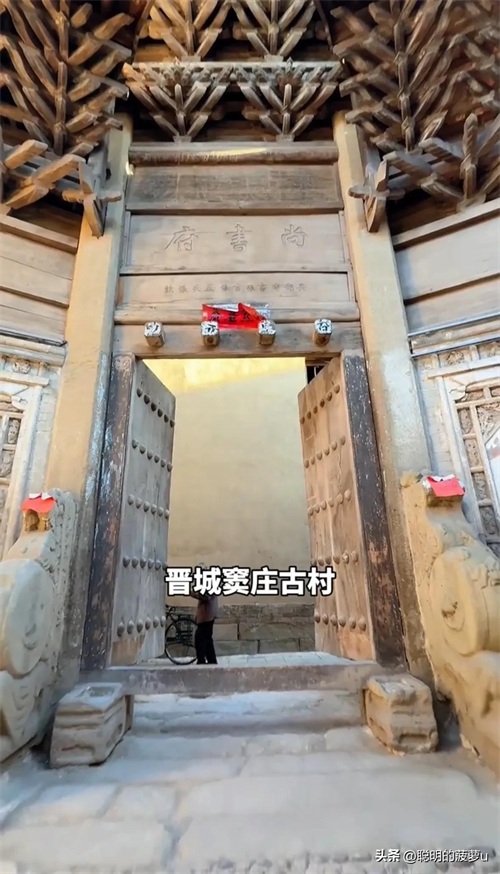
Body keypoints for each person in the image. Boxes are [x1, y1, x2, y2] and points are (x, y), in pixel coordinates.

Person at [190, 591, 219, 665]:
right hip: (207, 614)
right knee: (207, 639)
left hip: (207, 615)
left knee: (200, 639)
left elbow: (206, 596)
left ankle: (202, 661)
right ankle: (211, 660)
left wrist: (191, 593)